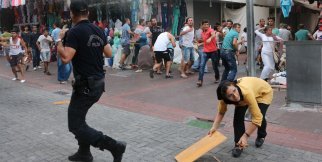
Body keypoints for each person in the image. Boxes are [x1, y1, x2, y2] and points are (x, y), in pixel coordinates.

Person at [57, 1, 126, 161]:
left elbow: (66, 57)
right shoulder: (98, 30)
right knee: (80, 120)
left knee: (75, 124)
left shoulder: (74, 33)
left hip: (85, 87)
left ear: (72, 14)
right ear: (88, 12)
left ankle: (114, 146)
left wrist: (59, 41)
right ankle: (84, 152)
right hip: (98, 83)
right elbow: (109, 53)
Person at [208, 77, 273, 158]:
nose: (235, 96)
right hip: (248, 94)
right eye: (230, 95)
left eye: (234, 90)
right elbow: (221, 112)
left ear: (234, 86)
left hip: (264, 92)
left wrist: (246, 136)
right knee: (237, 119)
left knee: (260, 115)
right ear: (225, 98)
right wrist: (214, 127)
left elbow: (257, 118)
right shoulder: (223, 100)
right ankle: (239, 145)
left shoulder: (246, 92)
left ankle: (261, 136)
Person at [196, 19, 220, 87]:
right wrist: (200, 44)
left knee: (215, 66)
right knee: (202, 65)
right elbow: (205, 41)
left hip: (213, 51)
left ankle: (217, 77)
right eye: (205, 24)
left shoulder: (211, 30)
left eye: (207, 24)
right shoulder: (202, 33)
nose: (206, 26)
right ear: (202, 25)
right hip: (205, 51)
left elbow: (213, 35)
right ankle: (200, 80)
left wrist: (210, 38)